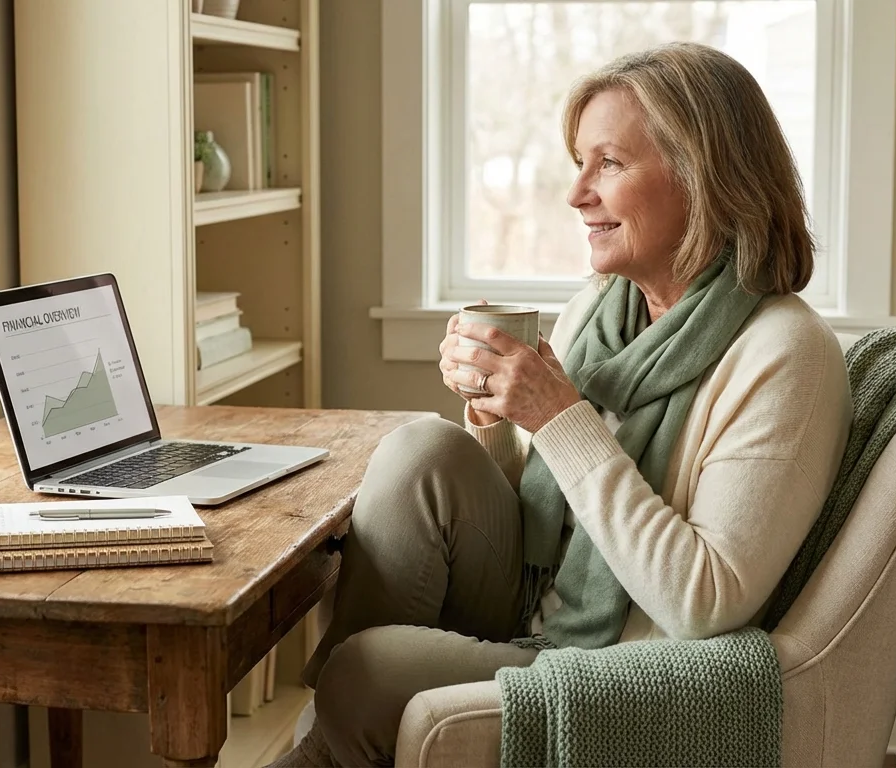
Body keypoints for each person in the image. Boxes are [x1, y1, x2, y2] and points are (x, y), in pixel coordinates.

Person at [270, 41, 851, 768]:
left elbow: (706, 601)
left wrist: (558, 416)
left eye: (607, 163)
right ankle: (349, 732)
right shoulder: (600, 311)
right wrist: (493, 414)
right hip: (534, 608)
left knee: (366, 671)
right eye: (579, 163)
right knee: (422, 448)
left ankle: (341, 729)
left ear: (705, 177)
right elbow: (547, 509)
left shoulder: (785, 353)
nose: (577, 193)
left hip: (625, 662)